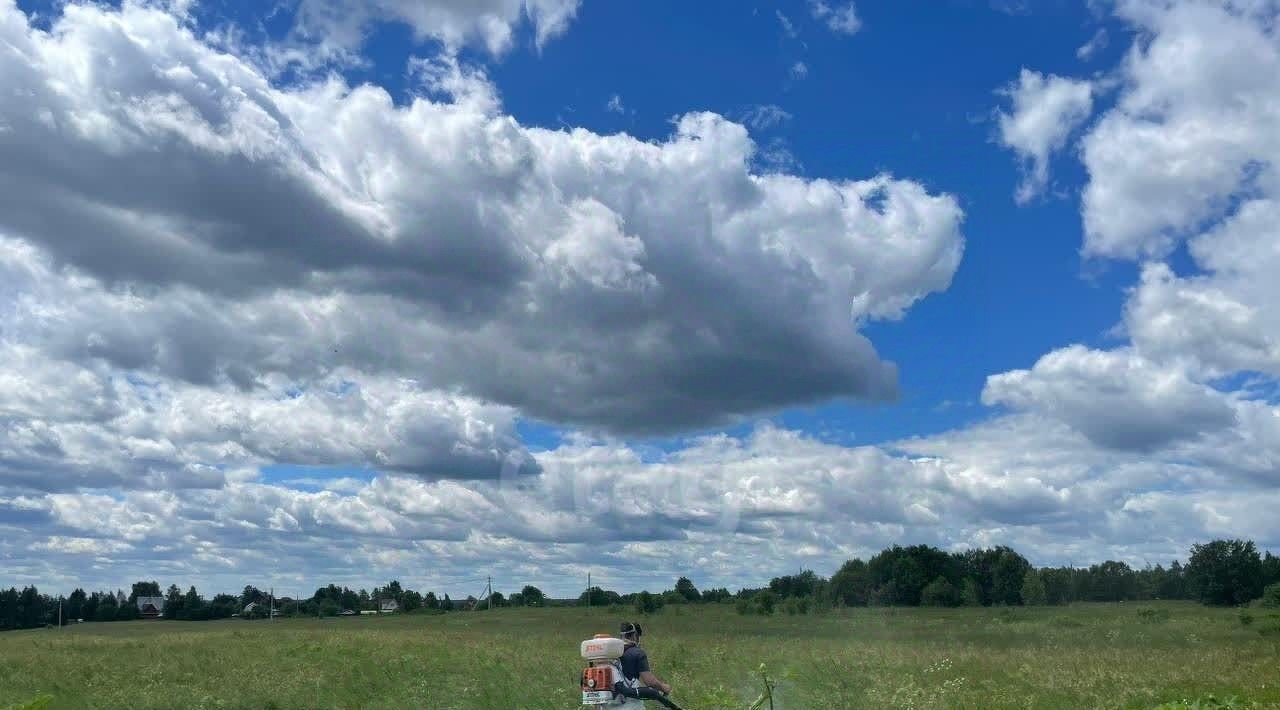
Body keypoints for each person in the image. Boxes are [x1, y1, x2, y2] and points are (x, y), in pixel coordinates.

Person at [617, 621, 672, 700]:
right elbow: (649, 681)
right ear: (634, 635)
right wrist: (664, 687)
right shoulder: (638, 653)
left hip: (608, 703)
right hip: (629, 701)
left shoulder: (612, 652)